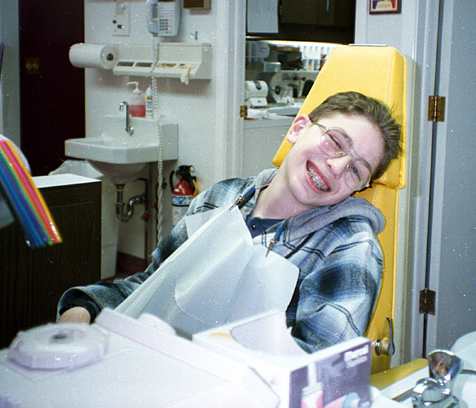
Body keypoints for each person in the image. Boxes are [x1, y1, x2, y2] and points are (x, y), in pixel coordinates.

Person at [58, 91, 403, 352]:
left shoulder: (348, 246)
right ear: (299, 128)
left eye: (357, 170)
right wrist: (82, 307)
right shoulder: (219, 200)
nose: (338, 166)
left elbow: (316, 365)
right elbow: (151, 286)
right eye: (335, 142)